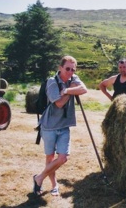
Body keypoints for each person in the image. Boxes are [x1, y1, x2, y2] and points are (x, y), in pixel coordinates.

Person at [33, 56, 87, 196]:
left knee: (63, 158)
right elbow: (58, 103)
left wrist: (67, 91)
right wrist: (72, 90)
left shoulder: (73, 79)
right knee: (50, 157)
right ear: (60, 68)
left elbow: (84, 89)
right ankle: (54, 185)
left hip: (64, 125)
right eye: (67, 69)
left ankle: (39, 178)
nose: (70, 72)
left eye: (73, 70)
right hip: (49, 125)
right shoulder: (52, 82)